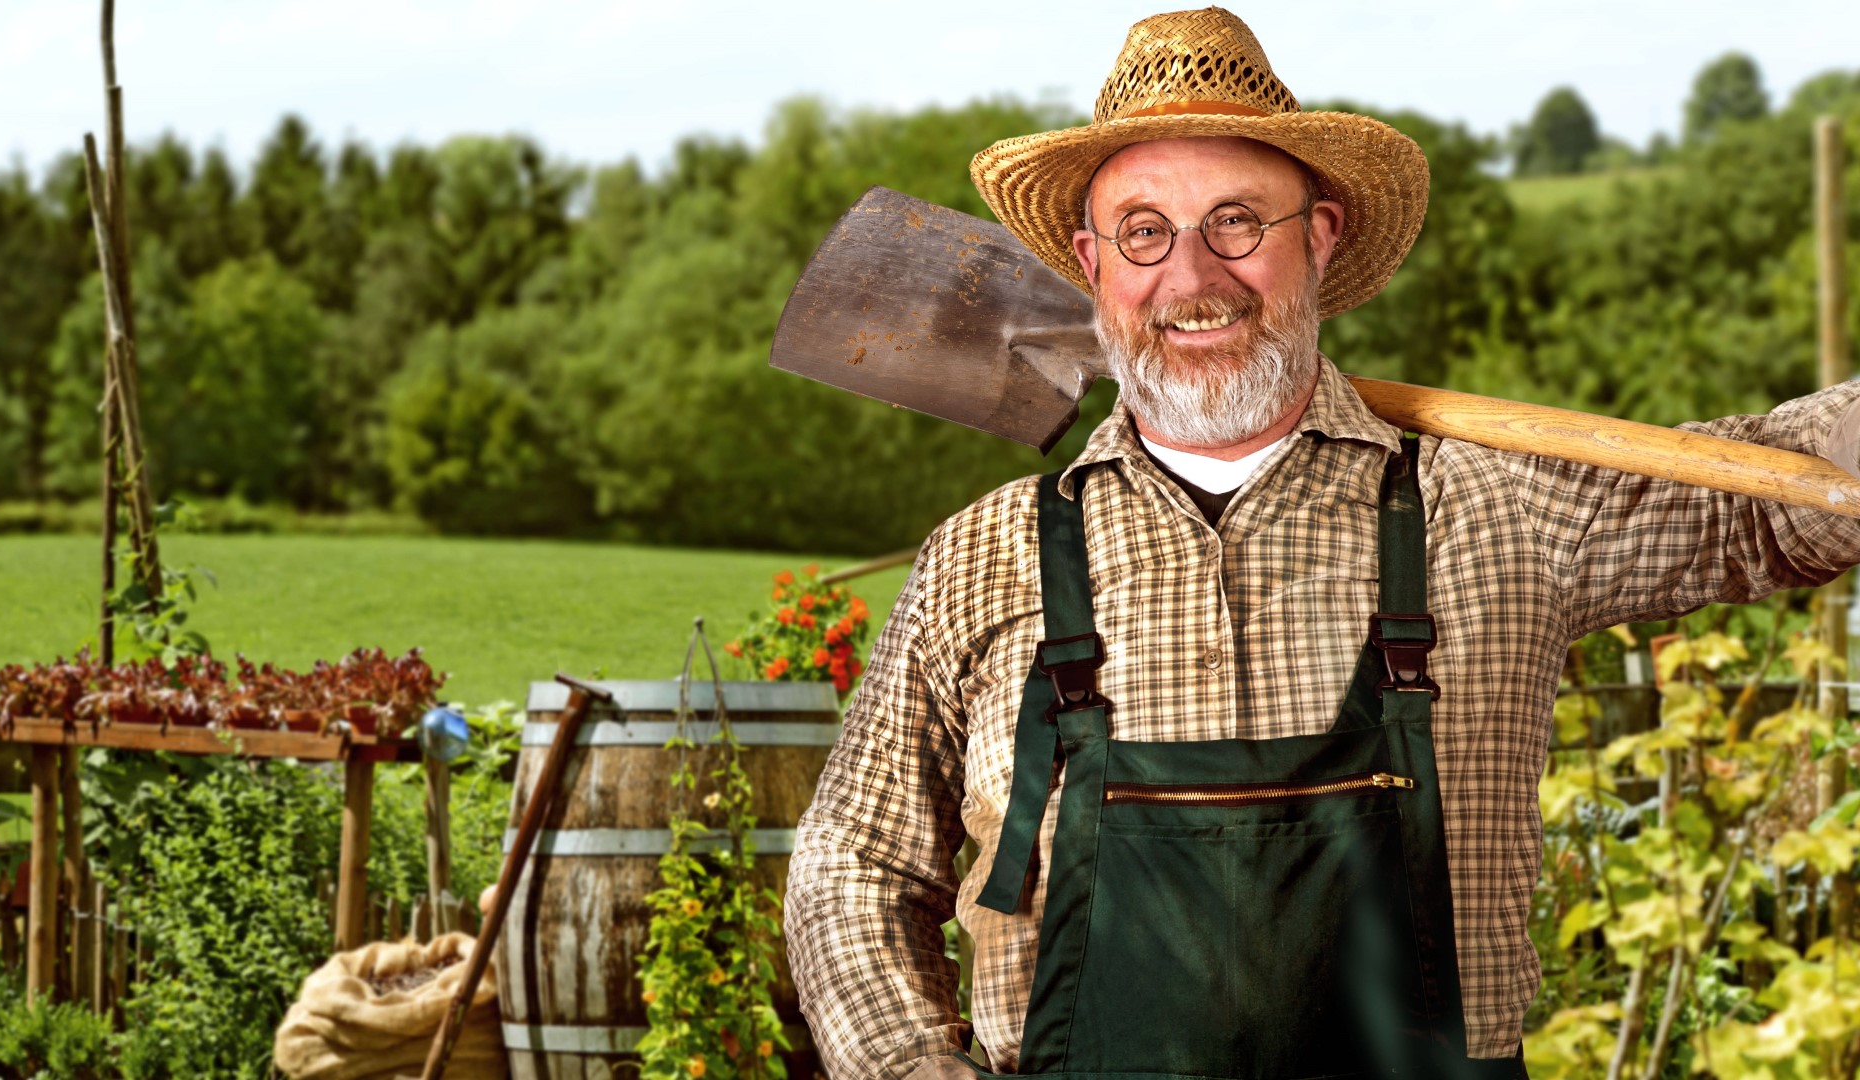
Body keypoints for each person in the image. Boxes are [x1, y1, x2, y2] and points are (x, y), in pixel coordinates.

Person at [782, 8, 1860, 1080]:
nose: (1192, 275)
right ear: (1089, 262)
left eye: (1239, 221)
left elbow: (1771, 500)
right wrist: (911, 1067)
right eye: (1144, 231)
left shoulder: (1498, 506)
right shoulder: (985, 556)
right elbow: (855, 865)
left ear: (1323, 234)